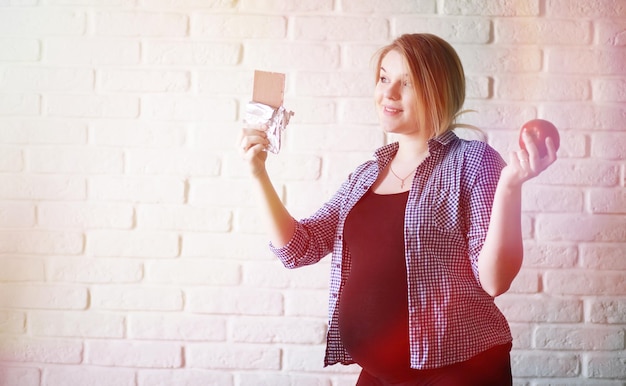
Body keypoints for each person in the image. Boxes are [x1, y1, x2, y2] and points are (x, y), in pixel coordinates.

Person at [239, 33, 557, 386]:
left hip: (458, 372)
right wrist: (258, 174)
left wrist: (510, 186)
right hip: (378, 374)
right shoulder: (365, 175)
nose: (388, 94)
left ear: (439, 91)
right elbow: (300, 248)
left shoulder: (474, 161)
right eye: (384, 78)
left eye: (407, 83)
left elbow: (495, 281)